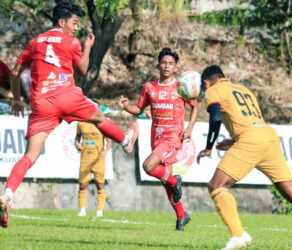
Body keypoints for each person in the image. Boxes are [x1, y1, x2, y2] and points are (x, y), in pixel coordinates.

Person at [0, 1, 138, 228]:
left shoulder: (36, 41)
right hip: (66, 95)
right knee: (99, 118)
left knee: (29, 156)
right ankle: (125, 141)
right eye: (74, 23)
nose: (76, 27)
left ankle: (7, 196)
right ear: (62, 21)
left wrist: (16, 99)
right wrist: (88, 46)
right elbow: (83, 69)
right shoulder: (72, 41)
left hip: (41, 102)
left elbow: (15, 72)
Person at [196, 65, 292, 250]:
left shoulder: (213, 90)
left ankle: (238, 235)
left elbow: (215, 117)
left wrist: (209, 147)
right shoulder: (244, 90)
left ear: (206, 82)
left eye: (204, 87)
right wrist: (232, 141)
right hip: (268, 138)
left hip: (251, 141)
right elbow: (251, 121)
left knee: (217, 185)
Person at [116, 48, 199, 231]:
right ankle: (181, 216)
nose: (167, 66)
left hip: (172, 137)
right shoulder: (150, 87)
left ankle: (176, 182)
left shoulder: (181, 87)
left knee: (148, 166)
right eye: (164, 62)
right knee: (165, 181)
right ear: (158, 65)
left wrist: (189, 128)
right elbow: (139, 109)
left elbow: (195, 107)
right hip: (156, 137)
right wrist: (125, 106)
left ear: (175, 67)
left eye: (170, 63)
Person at [75, 111, 112, 217]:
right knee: (83, 184)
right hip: (85, 158)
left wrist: (105, 150)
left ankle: (99, 211)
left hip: (98, 158)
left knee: (100, 184)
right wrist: (77, 143)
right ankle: (82, 210)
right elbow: (77, 137)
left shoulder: (101, 123)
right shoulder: (81, 123)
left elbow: (109, 139)